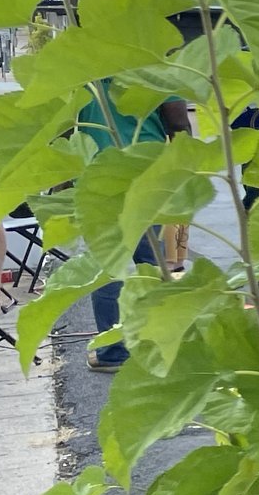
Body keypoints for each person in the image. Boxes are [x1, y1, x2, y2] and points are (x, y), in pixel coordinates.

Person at [78, 82, 192, 370]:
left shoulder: (83, 69)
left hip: (97, 181)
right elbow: (178, 123)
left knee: (109, 268)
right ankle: (168, 345)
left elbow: (65, 131)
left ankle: (112, 352)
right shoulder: (155, 70)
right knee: (162, 265)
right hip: (149, 179)